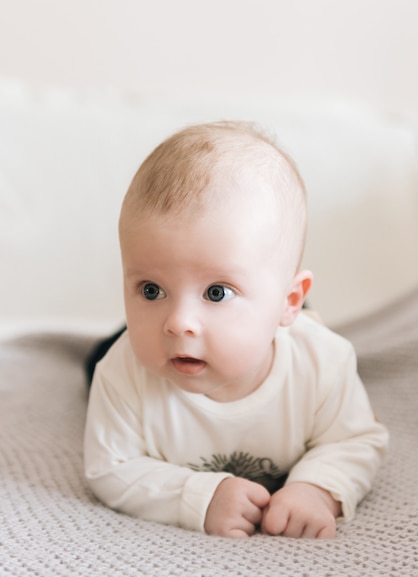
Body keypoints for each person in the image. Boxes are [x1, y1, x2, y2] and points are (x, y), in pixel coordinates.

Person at [84, 121, 389, 539]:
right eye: (150, 289)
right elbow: (109, 467)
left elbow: (355, 441)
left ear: (289, 300)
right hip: (163, 347)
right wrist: (198, 496)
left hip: (284, 330)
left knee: (285, 331)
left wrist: (317, 489)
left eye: (216, 292)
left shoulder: (324, 365)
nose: (179, 321)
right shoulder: (122, 373)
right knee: (96, 359)